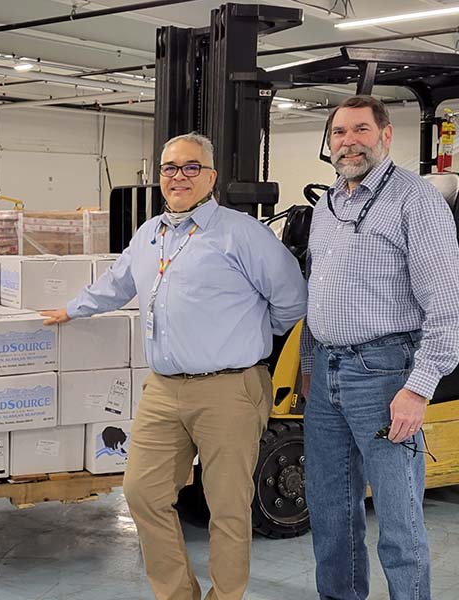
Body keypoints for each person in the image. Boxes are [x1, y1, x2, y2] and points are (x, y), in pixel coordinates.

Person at [42, 132, 307, 600]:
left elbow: (291, 299)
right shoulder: (151, 234)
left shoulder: (240, 233)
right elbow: (116, 283)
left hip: (228, 388)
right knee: (142, 492)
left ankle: (225, 596)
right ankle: (177, 594)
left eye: (190, 167)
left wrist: (254, 337)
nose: (178, 176)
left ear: (211, 177)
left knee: (227, 506)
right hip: (163, 389)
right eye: (169, 168)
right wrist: (71, 309)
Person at [300, 95, 459, 600]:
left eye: (361, 130)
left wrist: (418, 389)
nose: (349, 141)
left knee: (398, 522)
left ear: (386, 136)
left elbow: (447, 308)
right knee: (329, 512)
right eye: (340, 132)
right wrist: (309, 366)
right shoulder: (327, 205)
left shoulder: (416, 199)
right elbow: (317, 290)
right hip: (326, 374)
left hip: (386, 374)